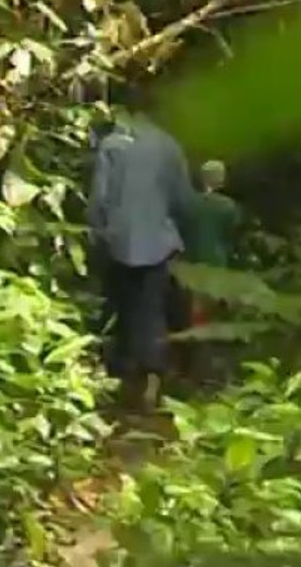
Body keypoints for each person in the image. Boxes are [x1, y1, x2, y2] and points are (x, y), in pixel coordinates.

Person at [87, 86, 195, 413]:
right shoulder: (170, 146)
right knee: (151, 309)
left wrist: (98, 233)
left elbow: (99, 200)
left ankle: (120, 376)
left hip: (116, 241)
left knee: (119, 308)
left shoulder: (113, 145)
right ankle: (152, 378)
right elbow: (183, 201)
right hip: (158, 244)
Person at [184, 159, 241, 325]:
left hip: (191, 260)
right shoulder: (228, 206)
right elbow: (231, 235)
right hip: (217, 260)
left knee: (196, 303)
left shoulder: (189, 203)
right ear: (220, 178)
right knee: (214, 303)